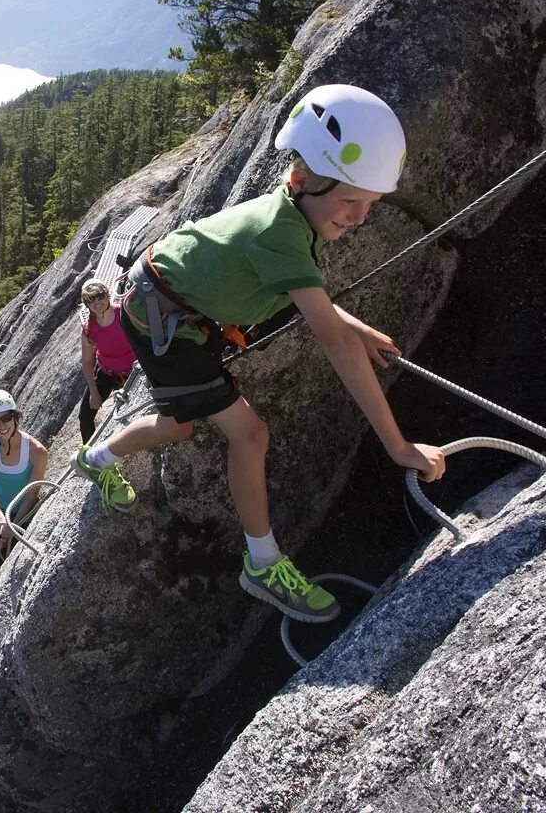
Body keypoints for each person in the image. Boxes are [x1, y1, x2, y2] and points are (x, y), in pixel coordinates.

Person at [72, 84, 447, 623]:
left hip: (174, 305)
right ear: (300, 178)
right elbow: (328, 336)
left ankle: (96, 457)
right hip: (165, 318)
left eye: (370, 204)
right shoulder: (282, 232)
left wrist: (359, 328)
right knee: (251, 434)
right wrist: (399, 444)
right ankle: (263, 565)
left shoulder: (297, 215)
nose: (360, 217)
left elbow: (308, 300)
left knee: (178, 426)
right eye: (351, 200)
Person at [0, 389, 49, 566]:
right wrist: (3, 522)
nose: (2, 426)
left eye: (6, 418)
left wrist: (12, 525)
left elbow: (32, 495)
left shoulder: (37, 451)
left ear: (14, 416)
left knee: (23, 564)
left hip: (25, 514)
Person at [78, 278, 137, 442]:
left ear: (107, 294)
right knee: (85, 416)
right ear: (86, 304)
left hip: (132, 371)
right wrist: (94, 392)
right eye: (90, 300)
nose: (96, 302)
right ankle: (90, 456)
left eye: (100, 296)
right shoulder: (89, 328)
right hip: (105, 372)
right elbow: (88, 362)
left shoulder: (124, 313)